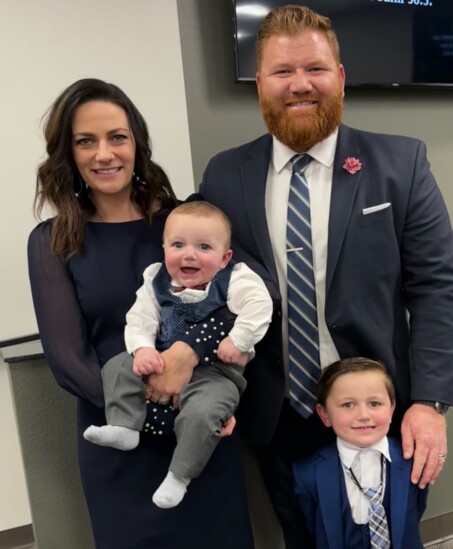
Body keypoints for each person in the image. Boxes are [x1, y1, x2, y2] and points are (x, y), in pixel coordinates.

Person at [200, 5, 453, 548]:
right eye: (282, 72)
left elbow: (437, 289)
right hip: (278, 416)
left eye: (314, 69)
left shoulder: (400, 163)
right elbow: (209, 289)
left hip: (378, 414)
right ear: (260, 84)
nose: (300, 85)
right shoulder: (224, 174)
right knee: (303, 537)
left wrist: (431, 405)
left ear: (338, 77)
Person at [27, 78, 255, 548]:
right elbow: (69, 362)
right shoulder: (52, 242)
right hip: (119, 437)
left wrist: (197, 383)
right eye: (84, 141)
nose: (103, 154)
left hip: (201, 432)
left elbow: (243, 303)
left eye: (117, 137)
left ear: (137, 143)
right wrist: (156, 414)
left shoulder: (187, 223)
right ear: (68, 154)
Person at [83, 200, 273, 509]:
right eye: (178, 244)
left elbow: (260, 305)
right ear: (164, 248)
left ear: (224, 257)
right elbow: (140, 317)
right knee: (117, 366)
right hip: (161, 360)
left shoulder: (236, 278)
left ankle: (179, 476)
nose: (189, 254)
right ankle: (124, 425)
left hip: (217, 372)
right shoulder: (156, 279)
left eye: (203, 247)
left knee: (204, 412)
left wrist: (238, 339)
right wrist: (142, 348)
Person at [293, 357, 428, 548]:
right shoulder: (307, 473)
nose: (364, 415)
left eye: (374, 403)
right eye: (348, 405)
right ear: (325, 415)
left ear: (391, 408)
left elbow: (417, 510)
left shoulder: (412, 460)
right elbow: (311, 527)